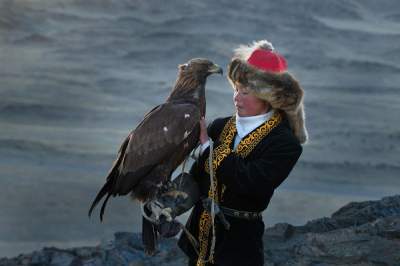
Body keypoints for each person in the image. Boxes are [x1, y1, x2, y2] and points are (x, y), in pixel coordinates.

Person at [177, 40, 307, 266]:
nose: (237, 97)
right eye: (236, 89)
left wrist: (209, 150)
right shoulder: (219, 126)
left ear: (268, 97)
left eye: (245, 92)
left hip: (240, 244)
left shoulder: (285, 144)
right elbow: (198, 178)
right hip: (200, 236)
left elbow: (251, 183)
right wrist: (170, 201)